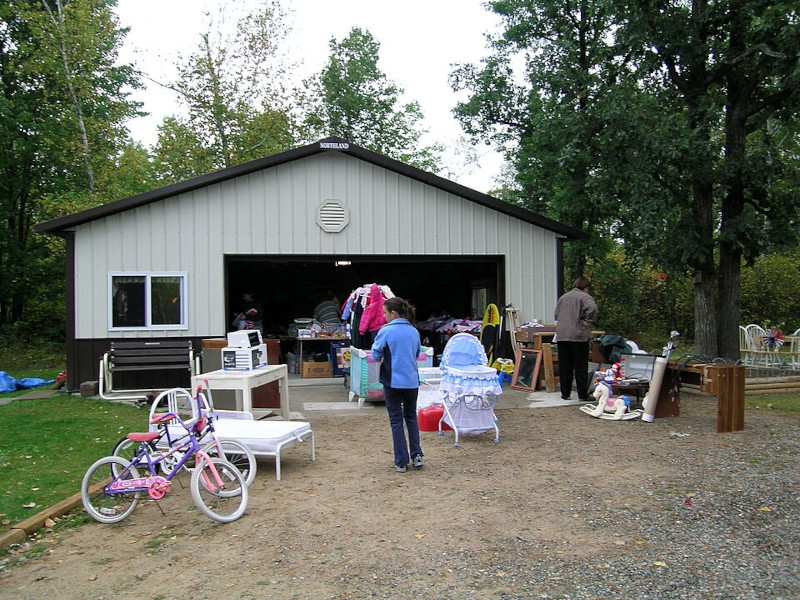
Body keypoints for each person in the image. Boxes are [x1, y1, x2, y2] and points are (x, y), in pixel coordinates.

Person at [371, 297, 424, 473]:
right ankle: (417, 455)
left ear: (393, 313)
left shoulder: (386, 331)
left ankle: (401, 461)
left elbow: (376, 354)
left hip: (392, 381)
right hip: (411, 381)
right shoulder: (414, 331)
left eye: (385, 313)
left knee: (396, 420)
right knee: (411, 417)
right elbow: (416, 353)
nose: (384, 317)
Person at [554, 276, 598, 401]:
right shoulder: (584, 297)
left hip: (562, 335)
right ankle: (582, 394)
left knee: (565, 365)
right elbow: (593, 308)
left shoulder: (563, 297)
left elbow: (556, 315)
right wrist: (587, 321)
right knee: (580, 366)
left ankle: (565, 393)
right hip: (578, 335)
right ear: (585, 287)